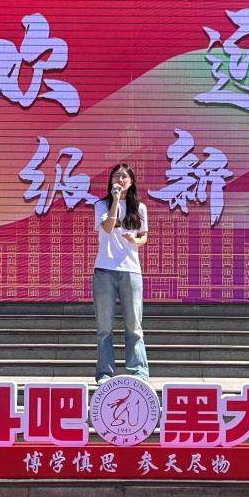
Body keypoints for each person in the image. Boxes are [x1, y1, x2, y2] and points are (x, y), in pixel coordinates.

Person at [92, 163, 150, 385]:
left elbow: (144, 236)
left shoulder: (140, 208)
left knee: (134, 325)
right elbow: (107, 228)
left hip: (131, 270)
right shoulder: (101, 205)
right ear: (111, 180)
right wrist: (115, 201)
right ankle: (105, 373)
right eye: (116, 176)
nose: (120, 179)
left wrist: (135, 240)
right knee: (104, 326)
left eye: (125, 176)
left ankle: (139, 372)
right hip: (104, 270)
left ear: (131, 181)